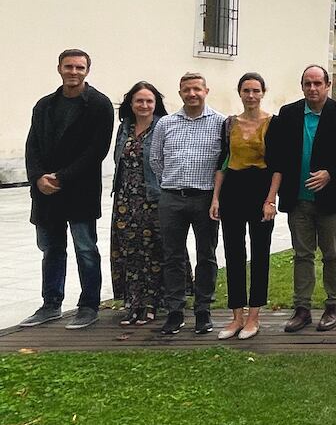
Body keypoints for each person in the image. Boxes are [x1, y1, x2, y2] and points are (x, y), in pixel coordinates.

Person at [21, 49, 114, 330]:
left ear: (88, 70)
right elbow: (32, 145)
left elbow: (96, 150)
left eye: (79, 67)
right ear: (59, 69)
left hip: (79, 190)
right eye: (69, 67)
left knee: (85, 249)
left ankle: (88, 306)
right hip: (45, 193)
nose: (74, 72)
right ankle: (51, 304)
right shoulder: (44, 105)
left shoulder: (99, 105)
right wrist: (38, 178)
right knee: (51, 249)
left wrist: (61, 177)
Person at [267, 65, 336, 334]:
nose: (313, 88)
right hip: (298, 199)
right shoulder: (288, 114)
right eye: (308, 83)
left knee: (332, 255)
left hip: (332, 199)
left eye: (318, 83)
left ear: (328, 85)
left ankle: (332, 306)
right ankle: (302, 308)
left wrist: (332, 173)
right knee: (302, 255)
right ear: (301, 86)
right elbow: (278, 155)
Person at [150, 72, 226, 336]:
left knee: (206, 255)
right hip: (171, 197)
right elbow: (155, 159)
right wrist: (170, 183)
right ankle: (175, 311)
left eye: (197, 89)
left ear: (206, 91)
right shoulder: (166, 124)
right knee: (173, 256)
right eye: (186, 90)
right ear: (180, 92)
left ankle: (203, 310)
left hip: (205, 198)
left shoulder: (221, 123)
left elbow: (223, 163)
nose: (192, 94)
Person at [209, 73, 279, 341]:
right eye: (246, 90)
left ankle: (253, 316)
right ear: (239, 92)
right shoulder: (229, 124)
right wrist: (215, 198)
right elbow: (223, 162)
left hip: (261, 188)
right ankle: (236, 316)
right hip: (233, 190)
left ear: (263, 92)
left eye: (256, 90)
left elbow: (278, 167)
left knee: (260, 253)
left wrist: (270, 199)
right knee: (233, 253)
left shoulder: (273, 123)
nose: (251, 95)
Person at [110, 81, 168, 326]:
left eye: (149, 101)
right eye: (139, 101)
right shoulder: (124, 128)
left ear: (156, 104)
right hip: (125, 198)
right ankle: (133, 304)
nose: (144, 105)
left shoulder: (163, 126)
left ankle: (152, 304)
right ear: (130, 104)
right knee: (129, 251)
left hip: (152, 197)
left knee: (153, 251)